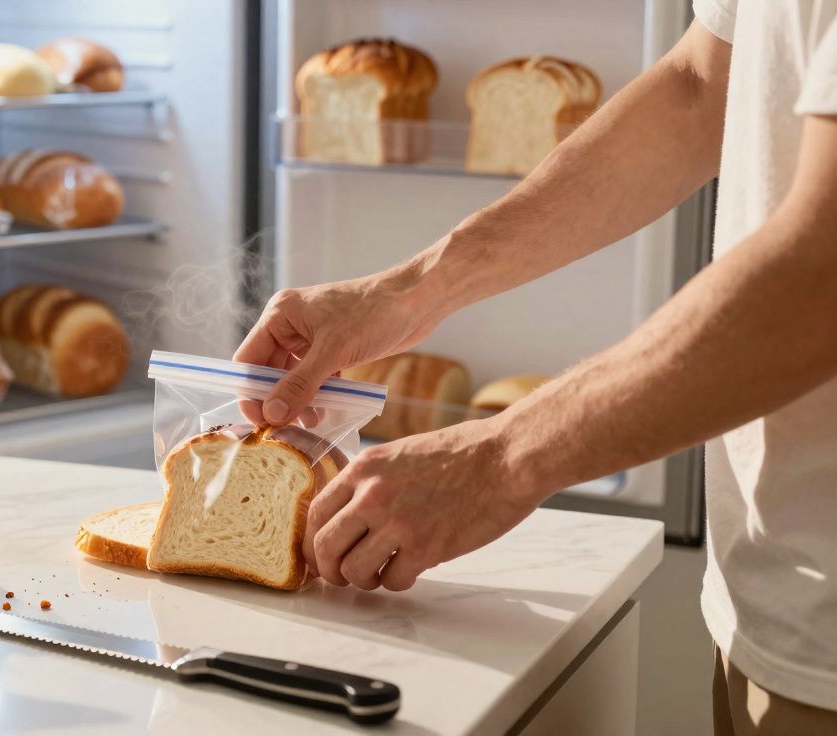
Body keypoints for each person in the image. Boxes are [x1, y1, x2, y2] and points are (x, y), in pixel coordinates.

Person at [237, 3, 837, 733]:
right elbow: (698, 86)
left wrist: (498, 456)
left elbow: (820, 278)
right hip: (768, 588)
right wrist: (408, 290)